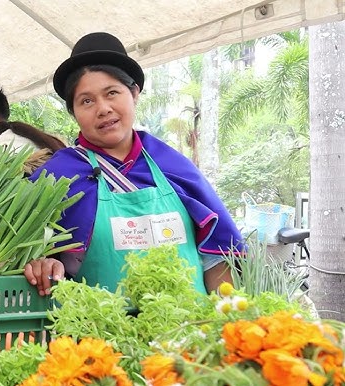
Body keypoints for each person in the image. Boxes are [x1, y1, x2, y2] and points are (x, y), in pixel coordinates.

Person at [23, 32, 241, 296]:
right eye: (86, 101)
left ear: (134, 93)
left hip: (189, 329)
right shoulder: (57, 177)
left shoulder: (171, 165)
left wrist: (222, 318)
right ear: (74, 112)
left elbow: (217, 255)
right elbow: (29, 256)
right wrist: (43, 264)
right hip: (100, 331)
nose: (103, 109)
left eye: (112, 93)